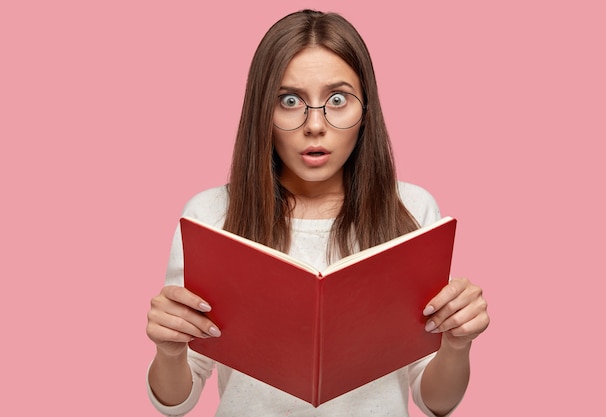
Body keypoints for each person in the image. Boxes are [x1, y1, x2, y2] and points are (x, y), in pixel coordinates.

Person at [146, 9, 489, 417]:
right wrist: (169, 350)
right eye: (289, 101)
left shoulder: (412, 211)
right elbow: (175, 402)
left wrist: (457, 342)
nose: (314, 125)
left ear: (366, 111)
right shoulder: (211, 216)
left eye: (337, 100)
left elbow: (435, 400)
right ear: (263, 112)